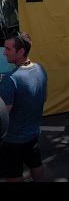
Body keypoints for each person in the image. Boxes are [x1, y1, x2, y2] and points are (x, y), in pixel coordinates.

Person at [0, 33, 48, 182]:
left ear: (20, 52)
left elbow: (3, 118)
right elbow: (44, 98)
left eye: (8, 49)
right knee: (35, 164)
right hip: (33, 133)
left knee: (13, 175)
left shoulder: (11, 79)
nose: (4, 52)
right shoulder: (40, 69)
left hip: (13, 140)